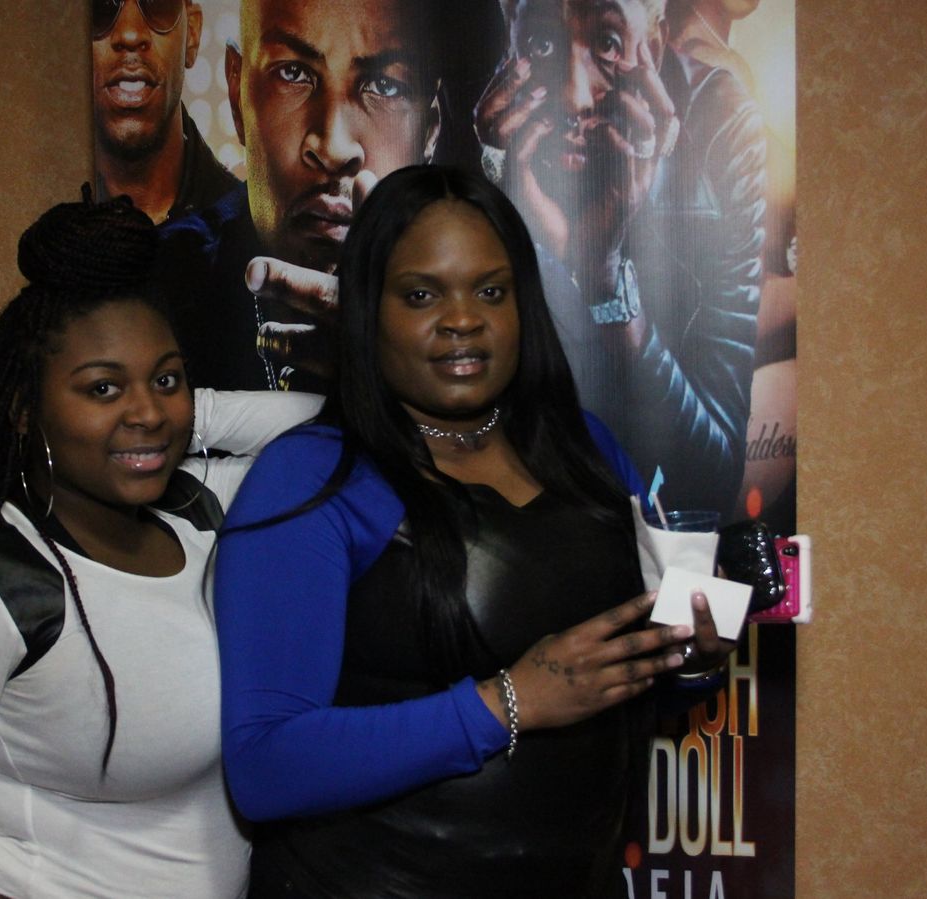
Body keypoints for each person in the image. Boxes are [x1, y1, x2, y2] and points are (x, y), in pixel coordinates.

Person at [213, 165, 733, 898]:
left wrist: (689, 659)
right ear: (367, 310)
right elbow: (265, 766)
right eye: (421, 295)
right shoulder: (312, 476)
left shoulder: (585, 449)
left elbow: (613, 695)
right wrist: (509, 701)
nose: (463, 319)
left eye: (491, 291)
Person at [0, 193, 320, 899]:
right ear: (24, 407)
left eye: (166, 378)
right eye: (102, 388)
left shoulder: (199, 509)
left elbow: (342, 435)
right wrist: (161, 413)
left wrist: (189, 414)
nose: (145, 409)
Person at [474, 0, 767, 515]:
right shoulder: (484, 130)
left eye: (608, 44)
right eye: (541, 44)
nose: (572, 95)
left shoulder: (719, 121)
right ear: (509, 39)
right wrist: (502, 209)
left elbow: (708, 482)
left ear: (652, 47)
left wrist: (603, 278)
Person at [156, 0, 457, 392]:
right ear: (237, 92)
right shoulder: (151, 291)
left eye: (385, 86)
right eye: (293, 73)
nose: (334, 148)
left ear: (430, 131)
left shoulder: (485, 299)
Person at [91, 0, 238, 223]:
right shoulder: (38, 219)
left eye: (157, 2)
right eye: (102, 5)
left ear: (192, 34)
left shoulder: (251, 233)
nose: (130, 34)